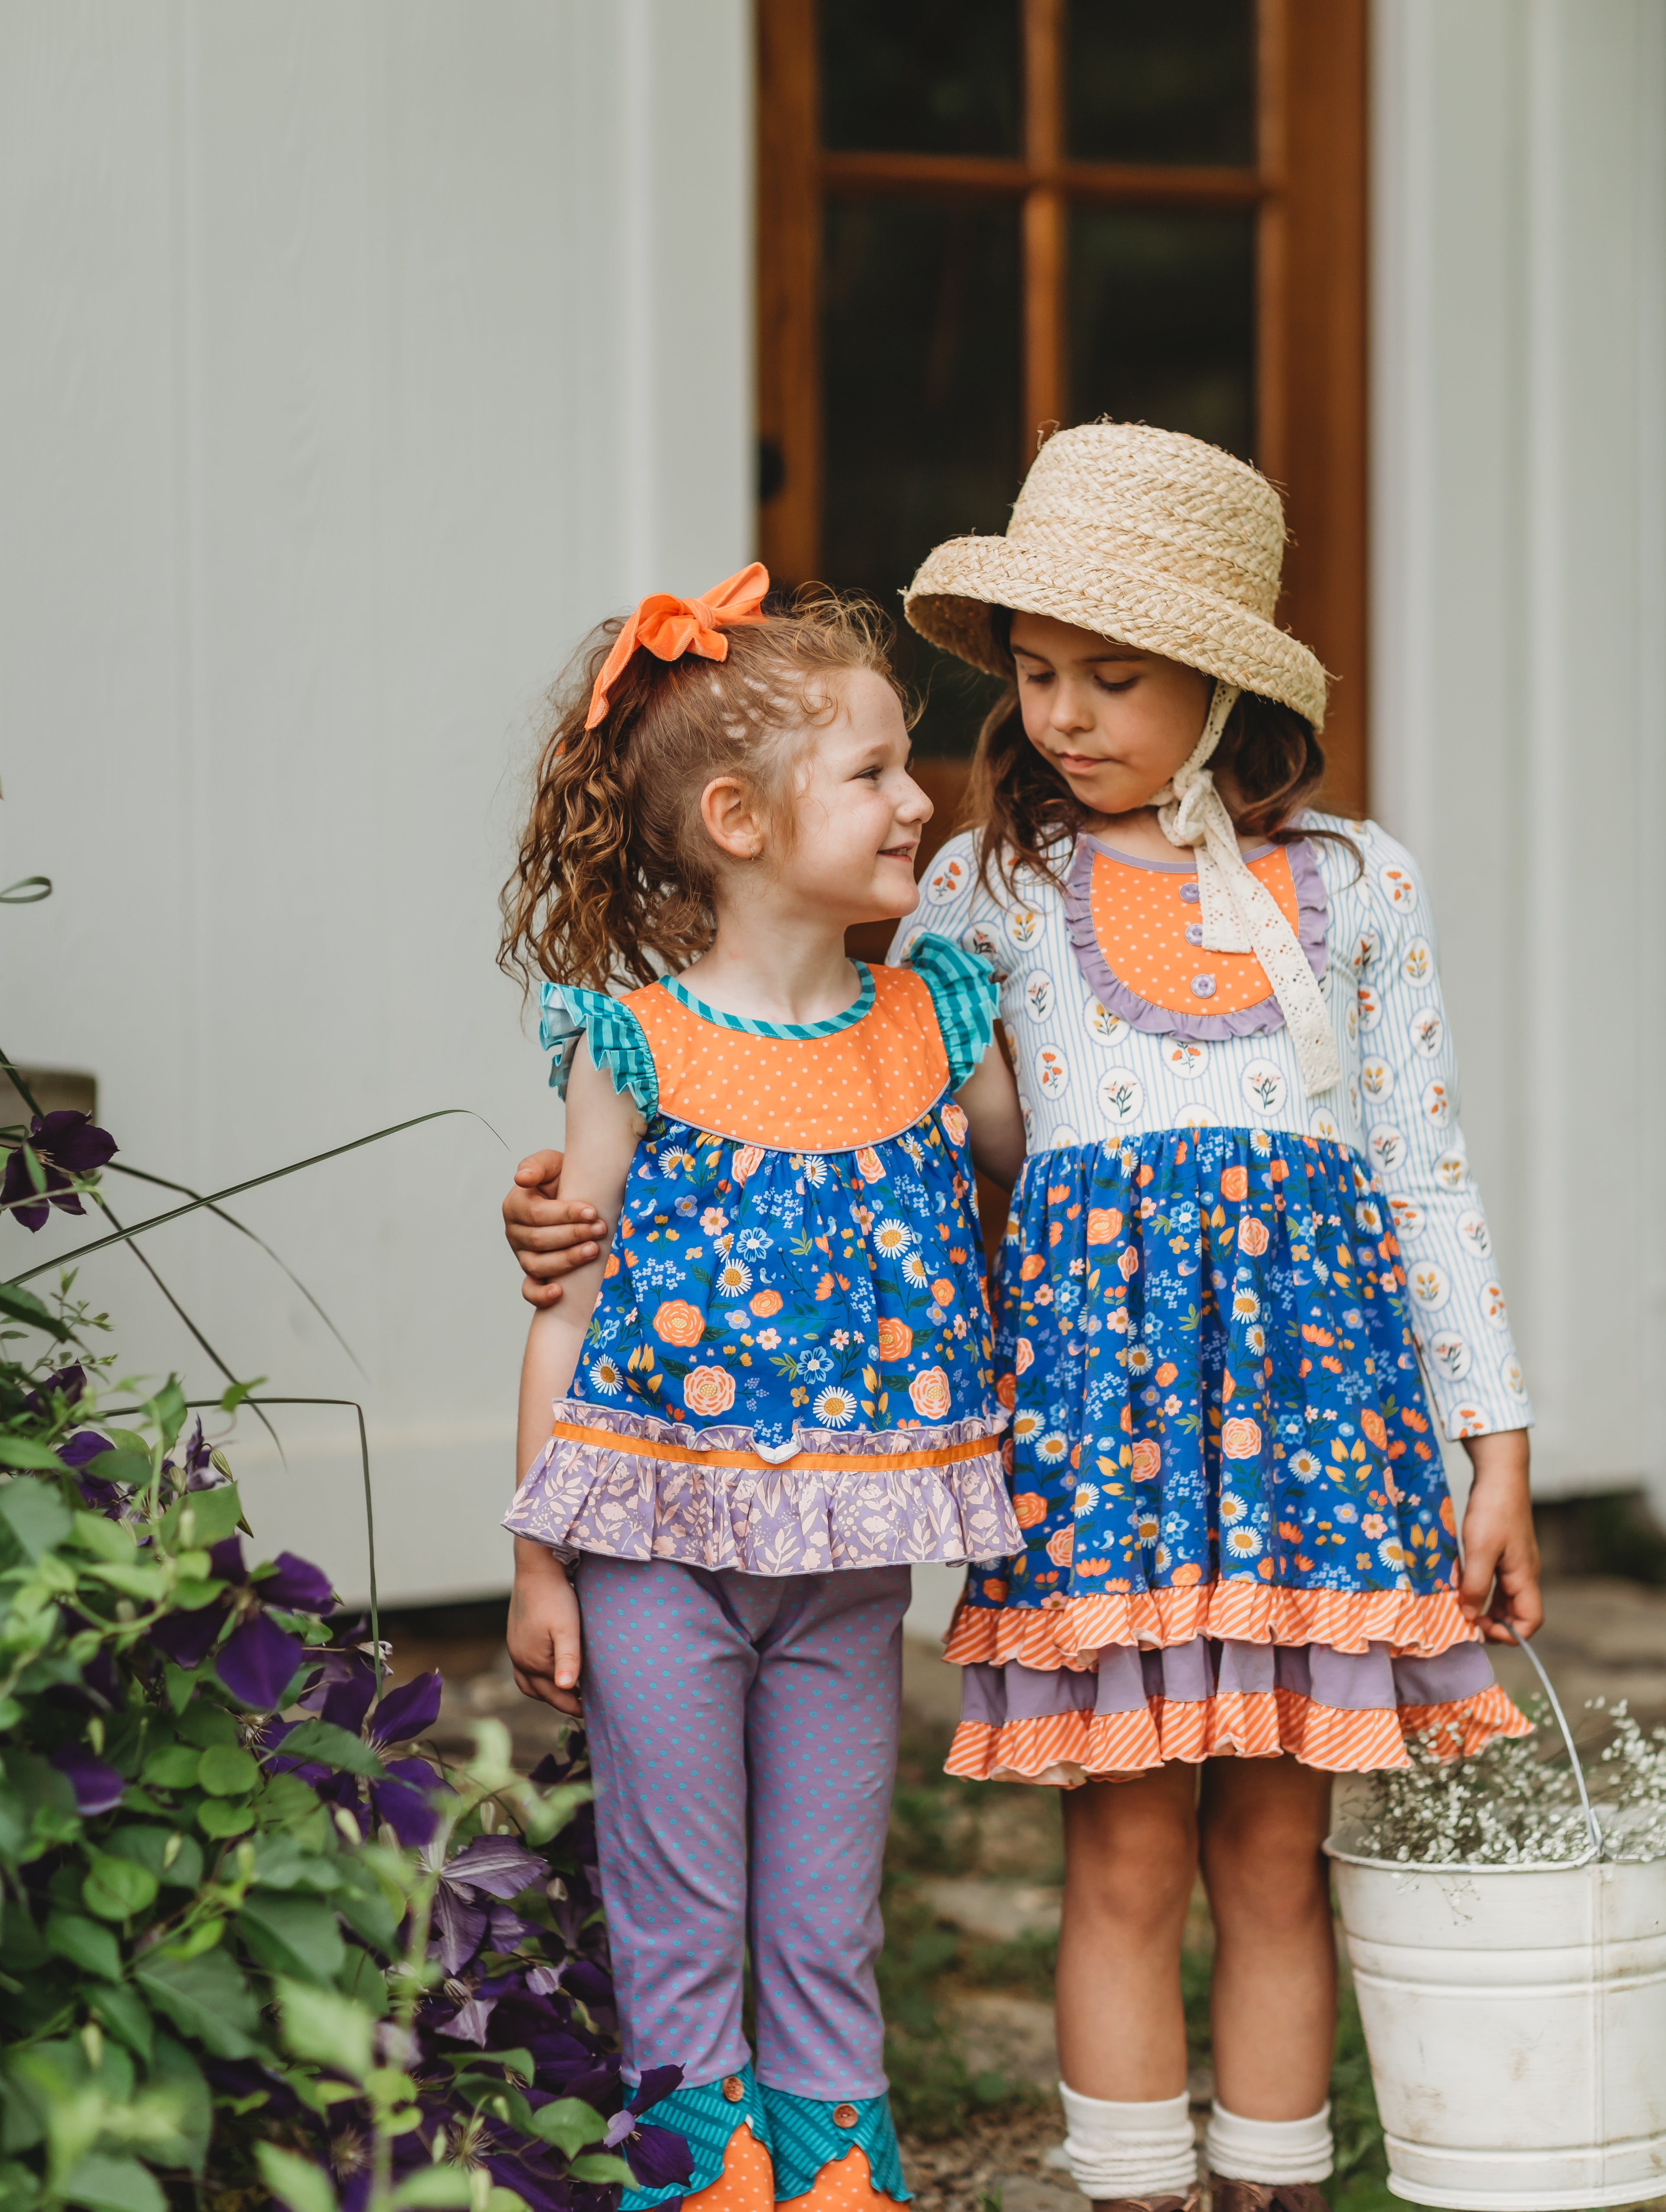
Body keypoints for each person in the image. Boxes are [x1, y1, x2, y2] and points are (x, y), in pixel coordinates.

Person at [883, 423, 1540, 2212]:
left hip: (1325, 1443)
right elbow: (919, 1152)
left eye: (1111, 677)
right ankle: (1130, 2191)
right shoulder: (984, 891)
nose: (1060, 717)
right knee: (1119, 1862)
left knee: (1271, 1855)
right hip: (1101, 1444)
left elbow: (1421, 1169)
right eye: (1033, 677)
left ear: (1225, 689)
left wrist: (1491, 1443)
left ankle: (1271, 2185)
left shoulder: (1352, 885)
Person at [498, 565, 1025, 2212]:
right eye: (869, 773)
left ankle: (836, 2161)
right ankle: (696, 2170)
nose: (916, 800)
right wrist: (535, 1562)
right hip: (655, 1553)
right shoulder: (632, 1043)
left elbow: (1047, 1188)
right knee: (675, 1890)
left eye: (906, 764)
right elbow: (566, 1305)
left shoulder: (939, 1018)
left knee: (820, 1889)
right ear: (736, 817)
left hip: (849, 1562)